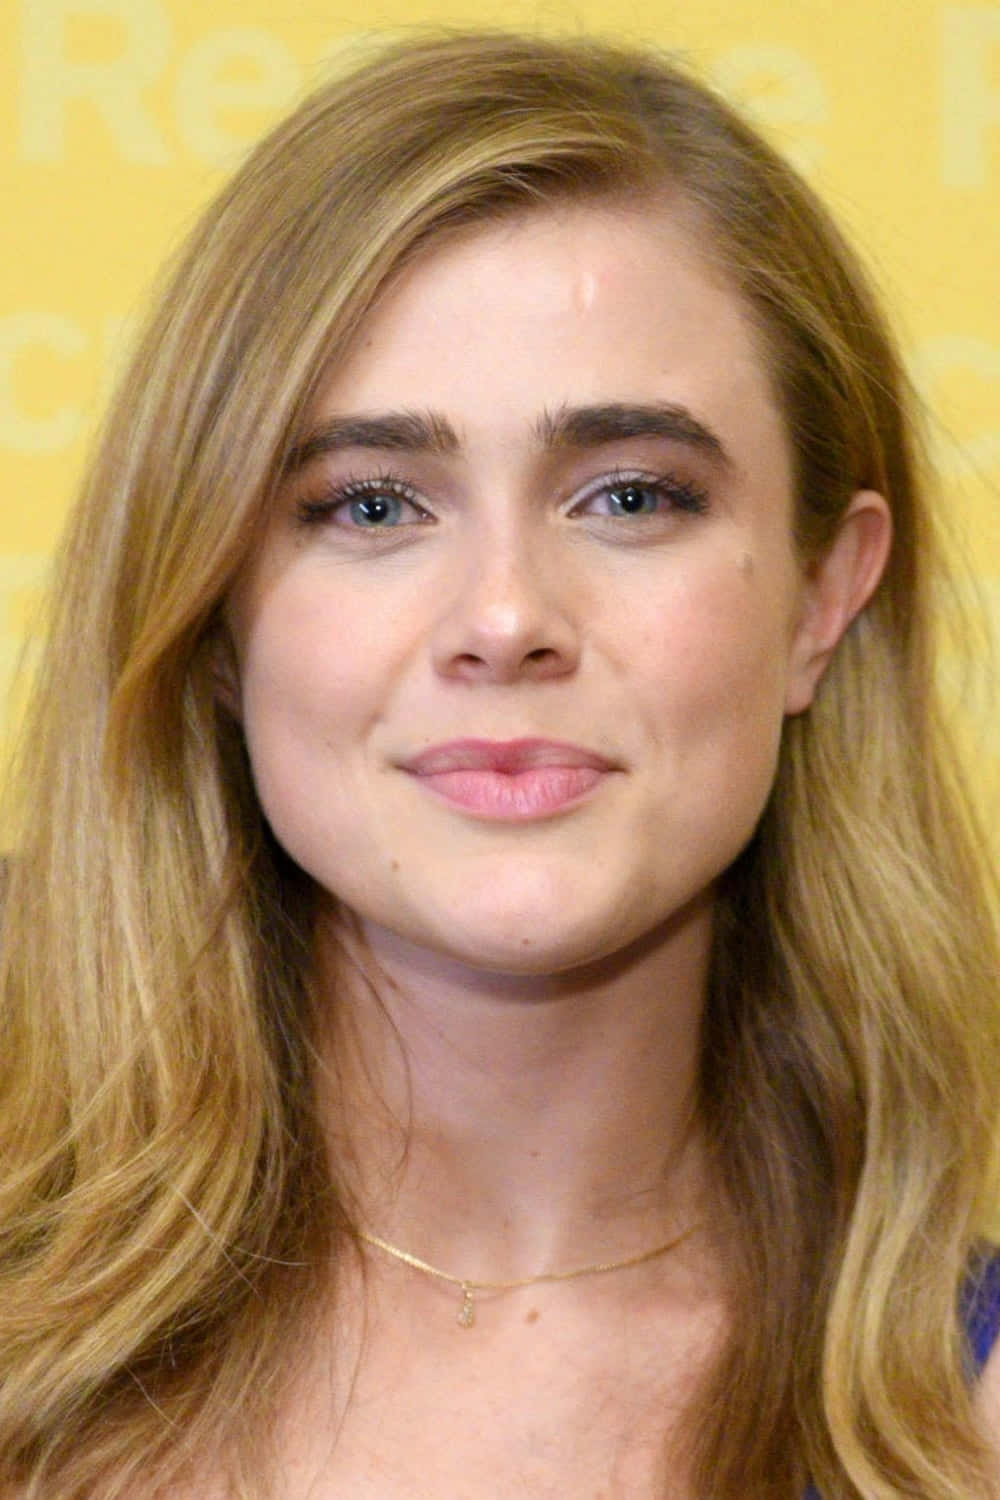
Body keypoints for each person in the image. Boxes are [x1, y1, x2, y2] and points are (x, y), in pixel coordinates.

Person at [0, 28, 997, 1500]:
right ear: (210, 613)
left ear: (821, 599)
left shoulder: (964, 1423)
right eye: (373, 506)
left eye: (631, 496)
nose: (506, 617)